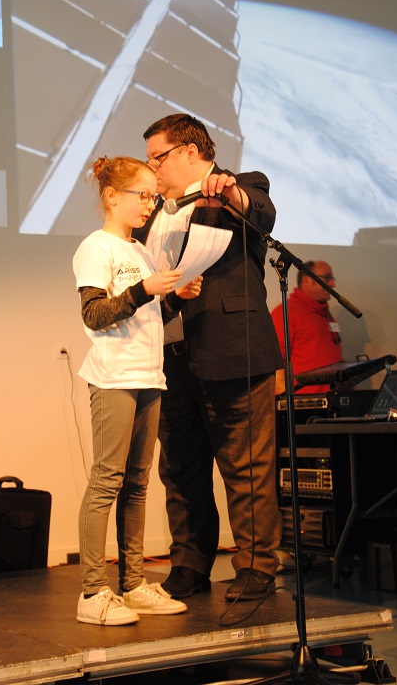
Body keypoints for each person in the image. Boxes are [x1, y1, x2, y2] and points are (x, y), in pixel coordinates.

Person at [134, 113, 282, 602]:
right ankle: (189, 565)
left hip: (231, 349)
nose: (152, 168)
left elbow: (260, 210)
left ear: (191, 152)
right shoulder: (151, 212)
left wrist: (232, 193)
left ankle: (256, 567)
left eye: (158, 157)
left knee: (246, 467)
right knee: (180, 468)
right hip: (167, 358)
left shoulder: (239, 187)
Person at [73, 155, 202, 626]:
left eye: (153, 196)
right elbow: (94, 315)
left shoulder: (141, 251)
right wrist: (145, 290)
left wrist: (174, 300)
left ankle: (132, 584)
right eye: (142, 195)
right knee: (107, 480)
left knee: (138, 482)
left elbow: (146, 317)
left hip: (149, 375)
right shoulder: (97, 247)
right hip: (115, 377)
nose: (151, 204)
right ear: (112, 196)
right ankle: (93, 592)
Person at [271, 260, 342, 395]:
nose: (333, 284)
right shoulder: (285, 313)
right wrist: (287, 400)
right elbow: (273, 364)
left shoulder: (326, 314)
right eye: (327, 278)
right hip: (304, 402)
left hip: (333, 400)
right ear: (307, 281)